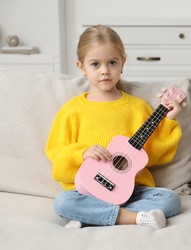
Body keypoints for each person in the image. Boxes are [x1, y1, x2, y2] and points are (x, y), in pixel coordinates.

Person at [46, 25, 183, 229]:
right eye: (95, 64)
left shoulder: (138, 108)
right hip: (87, 192)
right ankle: (135, 218)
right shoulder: (72, 111)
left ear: (122, 63)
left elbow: (153, 154)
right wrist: (81, 154)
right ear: (81, 66)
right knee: (63, 202)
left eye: (112, 62)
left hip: (132, 190)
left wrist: (170, 119)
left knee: (171, 199)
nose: (105, 71)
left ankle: (92, 217)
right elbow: (58, 161)